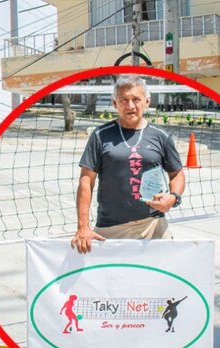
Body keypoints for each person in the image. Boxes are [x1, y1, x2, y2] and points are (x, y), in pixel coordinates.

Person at [72, 75, 186, 254]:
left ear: (147, 102)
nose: (130, 106)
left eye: (136, 99)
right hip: (111, 228)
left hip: (153, 226)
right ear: (115, 103)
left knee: (159, 279)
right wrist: (83, 227)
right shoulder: (100, 135)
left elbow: (177, 174)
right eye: (123, 100)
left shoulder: (161, 136)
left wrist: (173, 198)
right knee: (111, 280)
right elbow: (86, 181)